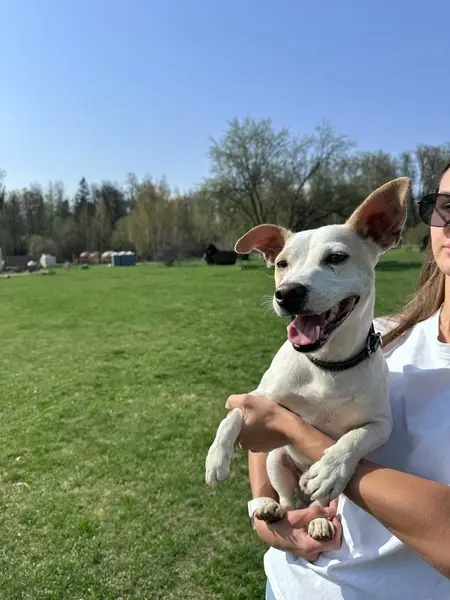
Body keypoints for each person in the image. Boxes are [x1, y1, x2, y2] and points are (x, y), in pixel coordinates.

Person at [226, 165, 450, 600]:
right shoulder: (370, 334)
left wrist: (303, 437)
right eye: (448, 206)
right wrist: (270, 518)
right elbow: (265, 412)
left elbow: (282, 422)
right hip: (290, 585)